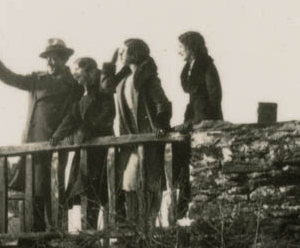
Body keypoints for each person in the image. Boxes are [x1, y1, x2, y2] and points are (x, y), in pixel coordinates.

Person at [0, 38, 77, 231]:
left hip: (54, 145)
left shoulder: (73, 85)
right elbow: (14, 78)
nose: (50, 62)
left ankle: (56, 236)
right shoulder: (37, 79)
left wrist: (59, 135)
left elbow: (73, 115)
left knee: (52, 189)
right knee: (32, 190)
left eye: (54, 58)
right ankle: (34, 238)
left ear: (64, 59)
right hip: (32, 144)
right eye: (47, 58)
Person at [101, 38, 172, 230]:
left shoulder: (147, 77)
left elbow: (163, 103)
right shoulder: (124, 77)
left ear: (134, 54)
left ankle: (146, 233)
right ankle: (136, 233)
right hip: (130, 143)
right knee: (129, 186)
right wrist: (110, 63)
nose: (121, 54)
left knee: (149, 186)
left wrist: (160, 123)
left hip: (147, 142)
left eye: (124, 52)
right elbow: (106, 87)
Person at [51, 56, 115, 230]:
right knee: (85, 192)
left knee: (100, 193)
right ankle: (87, 236)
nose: (74, 73)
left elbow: (108, 114)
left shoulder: (101, 91)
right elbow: (71, 117)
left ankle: (103, 236)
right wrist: (58, 134)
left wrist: (88, 128)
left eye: (78, 69)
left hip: (100, 153)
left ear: (90, 72)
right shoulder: (81, 95)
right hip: (85, 154)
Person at [174, 30, 223, 217]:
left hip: (204, 120)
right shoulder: (190, 66)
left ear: (191, 48)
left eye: (181, 47)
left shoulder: (206, 66)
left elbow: (214, 97)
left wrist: (199, 121)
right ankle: (183, 204)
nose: (179, 51)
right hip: (193, 117)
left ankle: (185, 206)